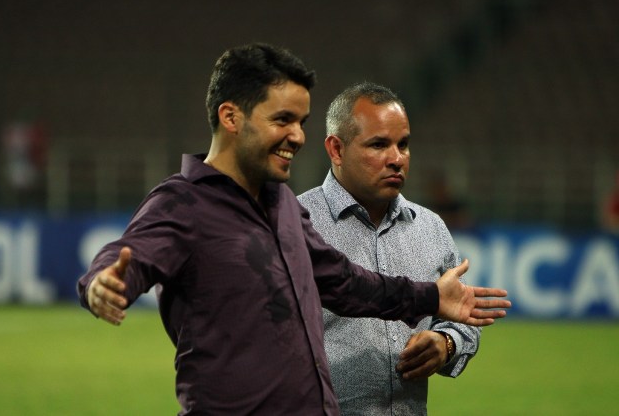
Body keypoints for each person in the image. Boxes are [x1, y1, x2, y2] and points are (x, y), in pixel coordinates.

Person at [76, 43, 510, 416]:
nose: (297, 136)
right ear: (231, 117)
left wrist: (432, 297)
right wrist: (103, 281)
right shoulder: (184, 201)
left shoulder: (280, 203)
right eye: (283, 119)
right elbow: (129, 253)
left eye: (301, 121)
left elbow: (344, 283)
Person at [298, 82, 481, 415]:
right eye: (379, 144)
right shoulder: (296, 224)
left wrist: (446, 343)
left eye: (404, 144)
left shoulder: (431, 228)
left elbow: (462, 319)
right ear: (336, 149)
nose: (397, 159)